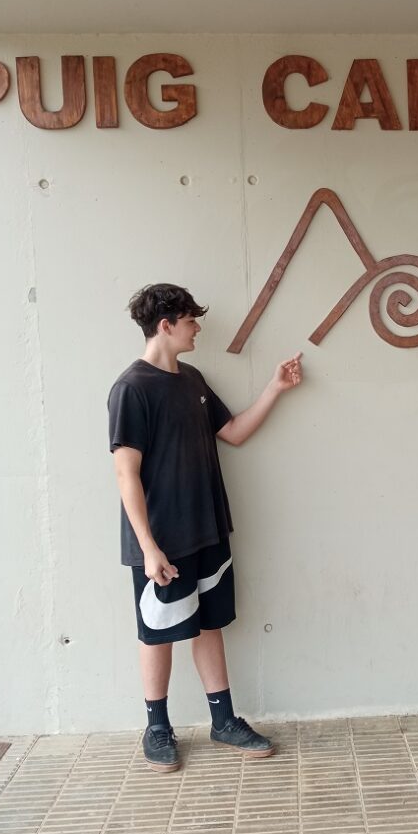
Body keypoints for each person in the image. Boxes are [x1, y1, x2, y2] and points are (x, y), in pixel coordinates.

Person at [108, 283, 303, 772]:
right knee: (158, 632)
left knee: (209, 624)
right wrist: (149, 548)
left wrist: (275, 388)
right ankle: (157, 728)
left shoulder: (192, 379)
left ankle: (223, 721)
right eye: (191, 320)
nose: (197, 328)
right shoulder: (131, 388)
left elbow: (232, 431)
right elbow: (125, 474)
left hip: (208, 530)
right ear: (166, 325)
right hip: (162, 541)